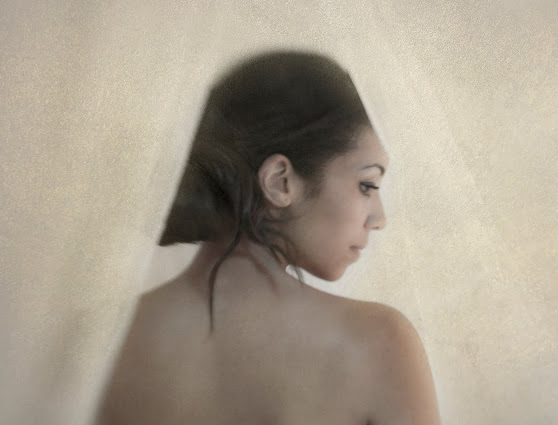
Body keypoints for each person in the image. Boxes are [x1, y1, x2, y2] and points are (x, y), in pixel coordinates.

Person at [97, 50, 440, 425]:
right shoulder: (377, 341)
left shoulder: (100, 336)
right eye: (366, 185)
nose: (379, 219)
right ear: (280, 181)